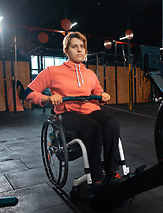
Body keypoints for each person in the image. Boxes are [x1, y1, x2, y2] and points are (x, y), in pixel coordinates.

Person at [24, 32, 121, 184]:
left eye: (82, 47)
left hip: (90, 110)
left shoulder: (90, 74)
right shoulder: (52, 72)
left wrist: (103, 96)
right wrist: (48, 98)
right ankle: (97, 178)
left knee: (111, 123)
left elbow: (98, 92)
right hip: (67, 113)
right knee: (93, 127)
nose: (79, 50)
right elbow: (28, 93)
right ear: (66, 50)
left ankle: (111, 171)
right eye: (74, 46)